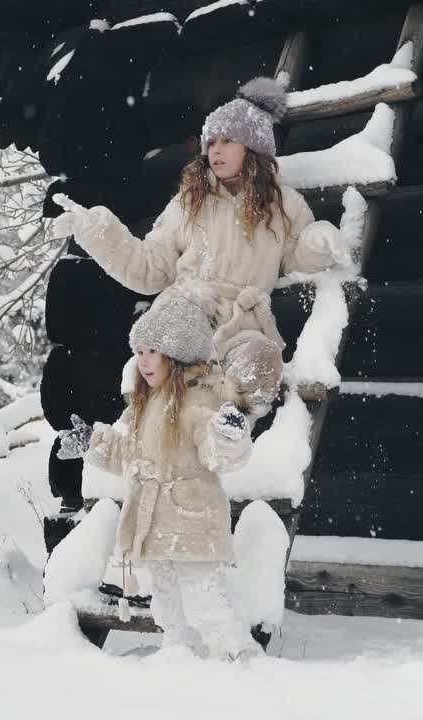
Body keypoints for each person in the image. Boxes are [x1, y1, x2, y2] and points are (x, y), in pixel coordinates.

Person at [52, 76, 347, 416]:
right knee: (172, 351)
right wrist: (96, 232)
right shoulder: (189, 202)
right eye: (211, 142)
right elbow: (150, 269)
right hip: (184, 308)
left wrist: (317, 241)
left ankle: (225, 433)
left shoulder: (283, 206)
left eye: (227, 140)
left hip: (241, 322)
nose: (215, 150)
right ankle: (166, 422)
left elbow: (297, 258)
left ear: (253, 149)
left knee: (263, 361)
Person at [56, 289, 261, 661]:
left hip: (191, 519)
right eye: (139, 352)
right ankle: (179, 660)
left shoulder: (199, 399)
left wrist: (227, 434)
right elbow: (129, 453)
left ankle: (241, 659)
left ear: (178, 353)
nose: (143, 361)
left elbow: (216, 450)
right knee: (167, 606)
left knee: (204, 602)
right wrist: (93, 441)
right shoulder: (147, 402)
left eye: (152, 351)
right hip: (154, 523)